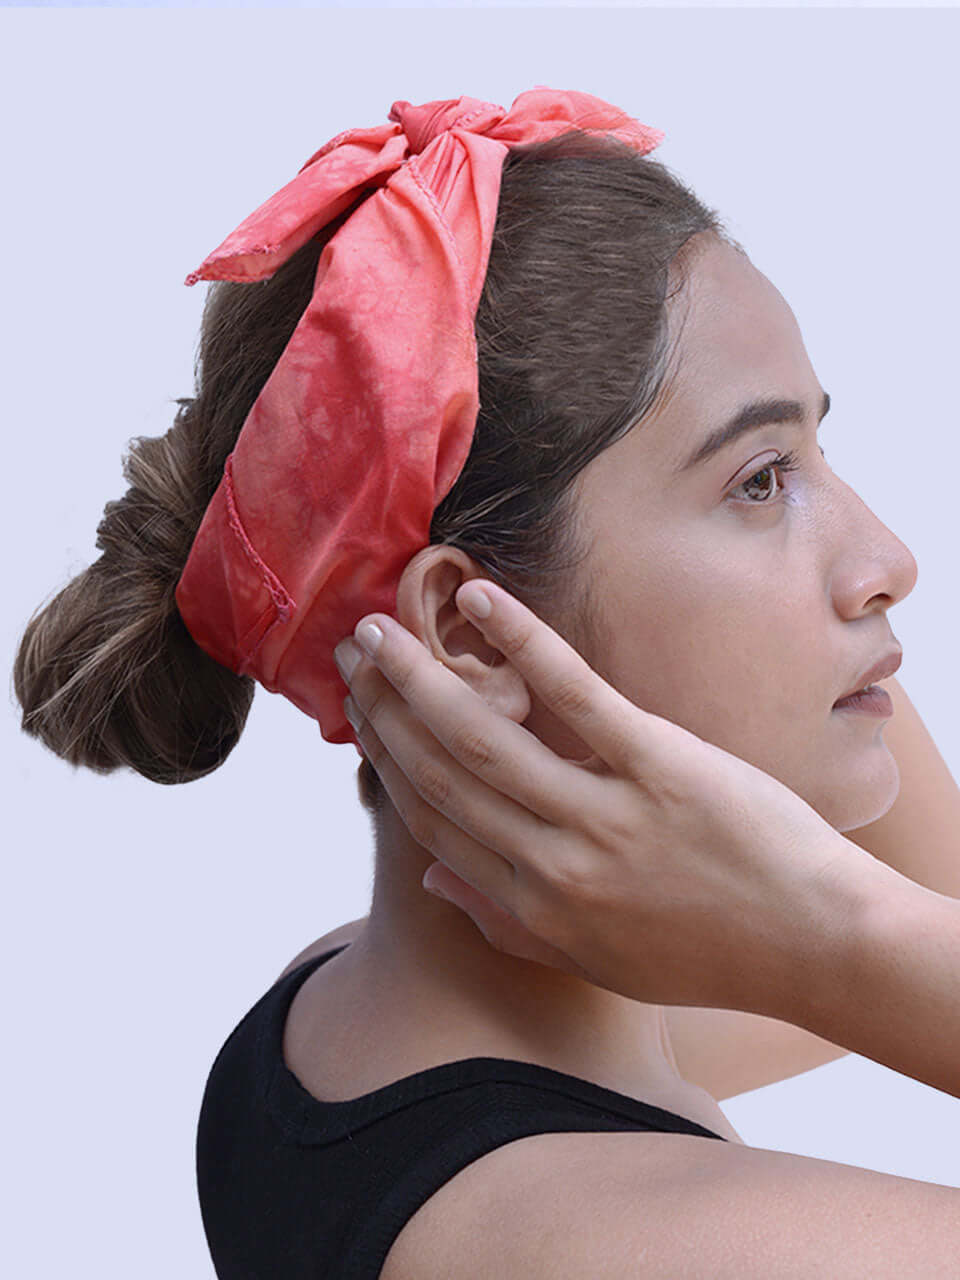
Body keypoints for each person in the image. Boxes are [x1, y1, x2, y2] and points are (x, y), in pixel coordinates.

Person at [13, 89, 960, 1277]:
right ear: (470, 631)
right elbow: (904, 940)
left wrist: (828, 933)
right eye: (761, 480)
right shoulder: (629, 1244)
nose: (889, 563)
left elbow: (928, 916)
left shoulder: (346, 1030)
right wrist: (833, 937)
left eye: (823, 447)